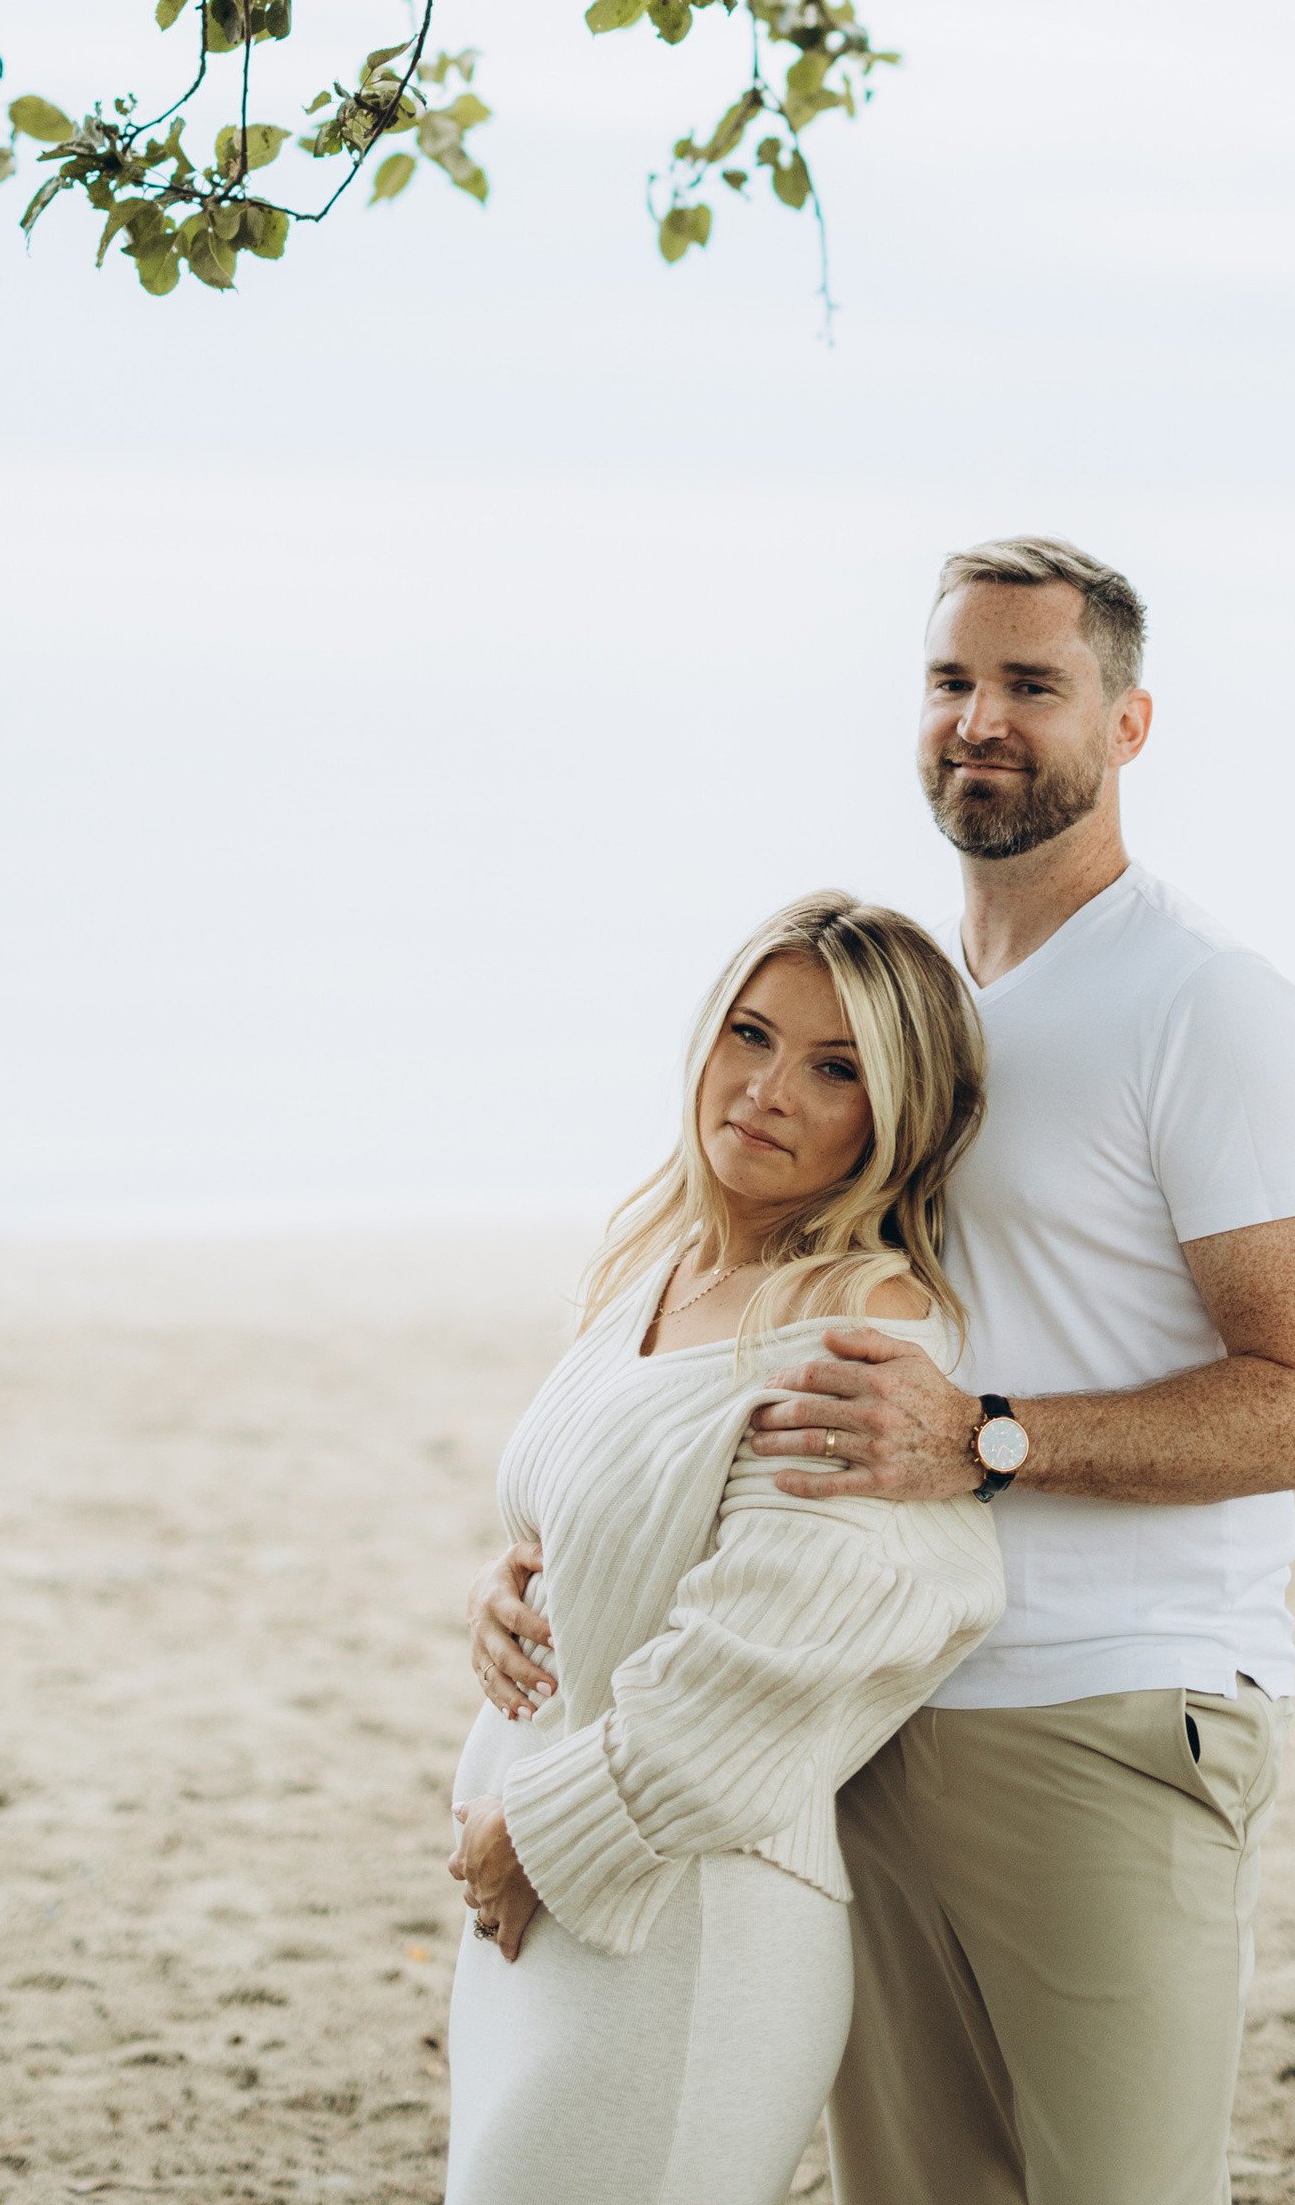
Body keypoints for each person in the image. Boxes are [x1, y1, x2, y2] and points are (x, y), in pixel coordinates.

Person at [472, 537, 1295, 2205]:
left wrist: (991, 1440)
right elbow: (745, 1328)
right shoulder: (915, 1006)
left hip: (1109, 1711)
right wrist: (558, 1555)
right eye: (954, 680)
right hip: (864, 1719)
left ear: (1132, 721)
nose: (983, 720)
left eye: (1035, 684)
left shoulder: (1207, 1005)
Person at [444, 893, 1005, 2205]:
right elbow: (594, 1515)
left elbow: (781, 1648)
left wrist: (537, 1830)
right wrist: (501, 1588)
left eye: (834, 1067)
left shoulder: (864, 1323)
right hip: (542, 1885)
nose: (765, 1088)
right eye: (750, 1034)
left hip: (675, 1912)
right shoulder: (665, 1268)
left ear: (900, 1113)